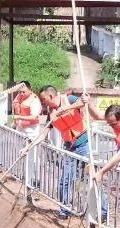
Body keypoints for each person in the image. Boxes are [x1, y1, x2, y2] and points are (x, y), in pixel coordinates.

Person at [22, 86, 104, 220]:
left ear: (50, 96)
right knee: (65, 180)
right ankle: (64, 209)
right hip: (69, 147)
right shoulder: (50, 112)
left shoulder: (69, 99)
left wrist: (66, 108)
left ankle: (103, 210)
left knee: (93, 177)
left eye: (44, 99)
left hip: (84, 145)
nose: (43, 102)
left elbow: (83, 102)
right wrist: (29, 147)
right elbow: (44, 133)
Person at [11, 81, 42, 187]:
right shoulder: (19, 98)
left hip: (31, 130)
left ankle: (34, 178)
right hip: (21, 130)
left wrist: (19, 117)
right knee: (21, 152)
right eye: (20, 92)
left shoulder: (34, 101)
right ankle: (24, 175)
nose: (21, 94)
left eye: (23, 92)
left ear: (29, 89)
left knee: (32, 155)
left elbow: (33, 117)